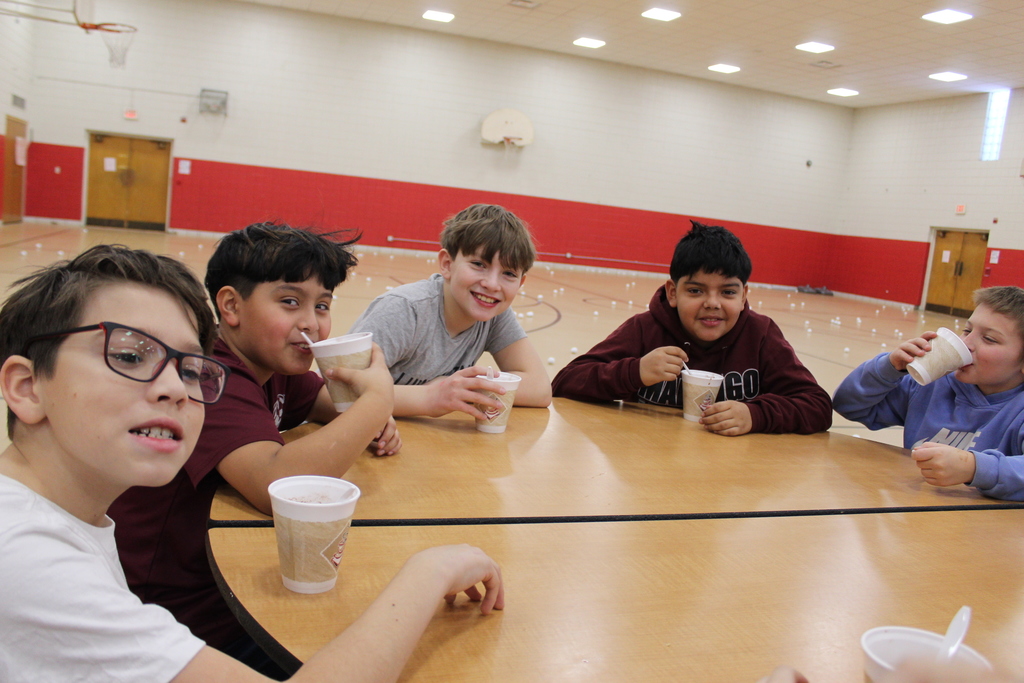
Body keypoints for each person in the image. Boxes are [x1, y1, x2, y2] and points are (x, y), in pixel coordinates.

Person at [0, 245, 503, 683]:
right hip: (193, 614)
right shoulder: (27, 559)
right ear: (26, 388)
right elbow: (276, 477)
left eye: (190, 369)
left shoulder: (57, 519)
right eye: (130, 356)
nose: (175, 388)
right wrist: (431, 571)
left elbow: (326, 402)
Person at [107, 223, 402, 674]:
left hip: (223, 587)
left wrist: (378, 413)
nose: (311, 322)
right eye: (290, 302)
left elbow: (328, 403)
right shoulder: (210, 376)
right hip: (182, 620)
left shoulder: (273, 365)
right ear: (230, 306)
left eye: (322, 305)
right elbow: (276, 483)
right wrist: (376, 404)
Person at [552, 221, 833, 435]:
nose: (712, 303)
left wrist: (755, 415)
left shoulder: (760, 334)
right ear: (673, 293)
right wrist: (635, 371)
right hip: (650, 465)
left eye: (728, 292)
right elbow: (565, 382)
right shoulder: (646, 329)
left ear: (743, 296)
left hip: (732, 474)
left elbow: (817, 406)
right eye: (696, 290)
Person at [349, 203, 552, 420]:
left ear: (521, 283)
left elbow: (540, 389)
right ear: (447, 264)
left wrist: (463, 388)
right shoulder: (404, 310)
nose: (493, 285)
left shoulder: (496, 315)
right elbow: (337, 394)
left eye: (509, 274)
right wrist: (430, 396)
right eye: (479, 264)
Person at [833, 286, 1024, 500]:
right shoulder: (934, 384)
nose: (966, 343)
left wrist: (974, 468)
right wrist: (889, 368)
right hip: (918, 510)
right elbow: (849, 406)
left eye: (989, 339)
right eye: (967, 330)